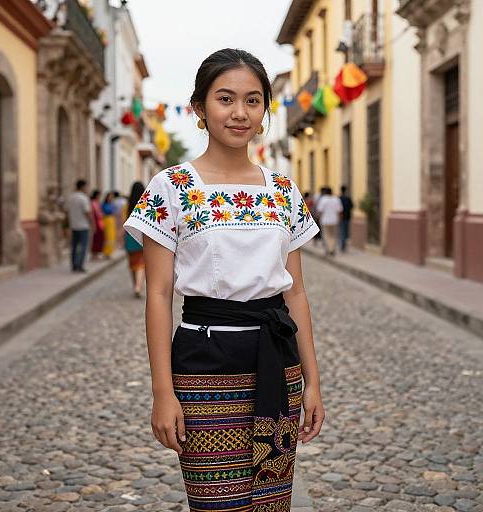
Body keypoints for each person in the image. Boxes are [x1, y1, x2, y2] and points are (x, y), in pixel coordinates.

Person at [124, 48, 325, 511]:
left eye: (253, 101)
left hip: (278, 359)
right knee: (216, 502)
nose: (240, 113)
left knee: (272, 501)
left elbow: (295, 291)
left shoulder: (282, 190)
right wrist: (162, 392)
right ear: (199, 108)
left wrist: (313, 382)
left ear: (264, 112)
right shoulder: (171, 187)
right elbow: (157, 294)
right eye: (225, 99)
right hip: (203, 362)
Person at [65, 179, 93, 273]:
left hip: (73, 225)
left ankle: (74, 264)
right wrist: (92, 223)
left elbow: (66, 211)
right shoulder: (83, 198)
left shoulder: (70, 197)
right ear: (83, 187)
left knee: (74, 246)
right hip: (83, 225)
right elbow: (87, 212)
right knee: (83, 246)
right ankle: (80, 265)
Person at [125, 182, 145, 298]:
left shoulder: (128, 204)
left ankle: (135, 285)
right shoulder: (145, 203)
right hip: (141, 234)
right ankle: (138, 286)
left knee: (132, 262)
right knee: (141, 263)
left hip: (130, 234)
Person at [315, 186, 343, 257]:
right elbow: (340, 211)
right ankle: (332, 249)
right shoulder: (336, 199)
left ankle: (329, 249)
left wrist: (318, 218)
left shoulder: (323, 199)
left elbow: (320, 211)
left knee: (326, 235)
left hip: (325, 221)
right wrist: (339, 219)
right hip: (334, 220)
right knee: (334, 235)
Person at [90, 189, 105, 260]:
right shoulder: (93, 203)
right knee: (96, 239)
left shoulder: (97, 202)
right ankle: (94, 254)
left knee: (99, 238)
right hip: (96, 222)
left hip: (100, 222)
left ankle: (97, 254)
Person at [101, 192, 116, 258]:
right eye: (110, 197)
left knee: (112, 236)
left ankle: (110, 252)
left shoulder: (112, 204)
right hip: (106, 220)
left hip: (112, 220)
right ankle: (106, 252)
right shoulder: (104, 205)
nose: (111, 198)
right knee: (107, 236)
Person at [339, 185, 353, 252]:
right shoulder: (348, 198)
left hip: (341, 218)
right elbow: (351, 206)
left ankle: (342, 245)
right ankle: (343, 245)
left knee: (342, 231)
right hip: (347, 217)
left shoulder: (339, 198)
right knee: (346, 232)